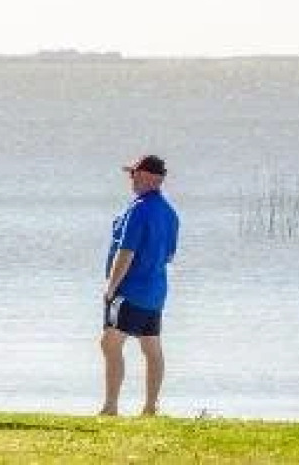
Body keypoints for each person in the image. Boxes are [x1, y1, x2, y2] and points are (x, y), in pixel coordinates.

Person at [100, 154, 180, 417]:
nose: (131, 179)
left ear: (147, 177)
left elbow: (126, 252)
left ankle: (110, 406)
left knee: (110, 343)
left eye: (134, 173)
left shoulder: (138, 209)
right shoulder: (170, 213)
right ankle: (150, 407)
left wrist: (111, 287)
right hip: (156, 292)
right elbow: (169, 255)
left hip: (130, 291)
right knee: (151, 347)